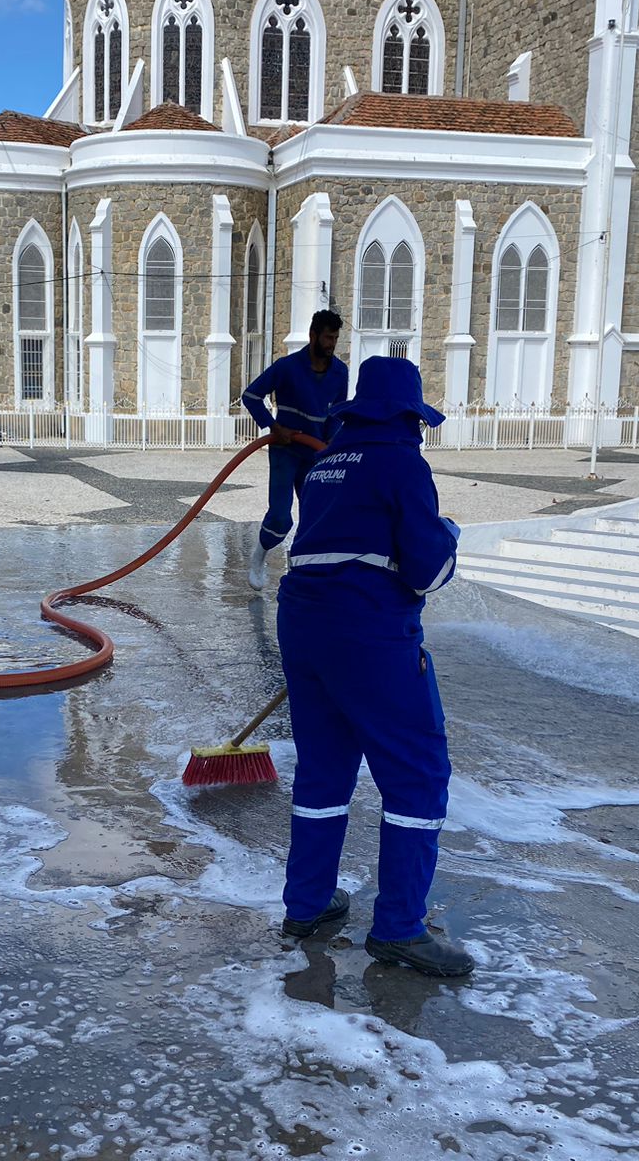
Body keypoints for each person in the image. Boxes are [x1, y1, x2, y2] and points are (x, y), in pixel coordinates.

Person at [275, 354, 474, 978]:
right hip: (368, 633)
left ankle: (306, 905)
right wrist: (446, 531)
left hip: (304, 624)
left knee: (325, 771)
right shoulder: (402, 462)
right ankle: (398, 930)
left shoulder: (329, 461)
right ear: (410, 417)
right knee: (417, 774)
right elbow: (427, 570)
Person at [241, 309, 349, 591]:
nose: (331, 344)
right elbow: (251, 396)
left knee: (316, 516)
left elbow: (337, 413)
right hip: (285, 451)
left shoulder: (340, 372)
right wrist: (274, 427)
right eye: (327, 337)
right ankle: (259, 556)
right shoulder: (287, 367)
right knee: (280, 516)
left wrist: (330, 443)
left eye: (335, 338)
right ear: (313, 335)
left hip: (316, 455)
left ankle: (299, 568)